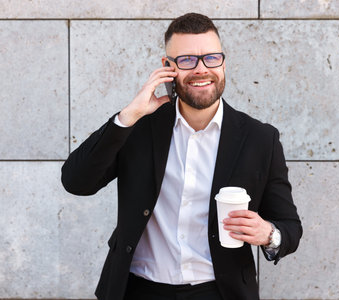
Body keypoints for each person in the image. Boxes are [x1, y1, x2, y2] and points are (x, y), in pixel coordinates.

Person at [61, 12, 302, 300]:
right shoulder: (137, 127)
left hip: (220, 292)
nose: (202, 69)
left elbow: (290, 227)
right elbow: (76, 181)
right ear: (167, 67)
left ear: (223, 63)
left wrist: (269, 234)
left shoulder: (261, 139)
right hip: (138, 290)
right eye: (187, 60)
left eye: (211, 58)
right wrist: (128, 116)